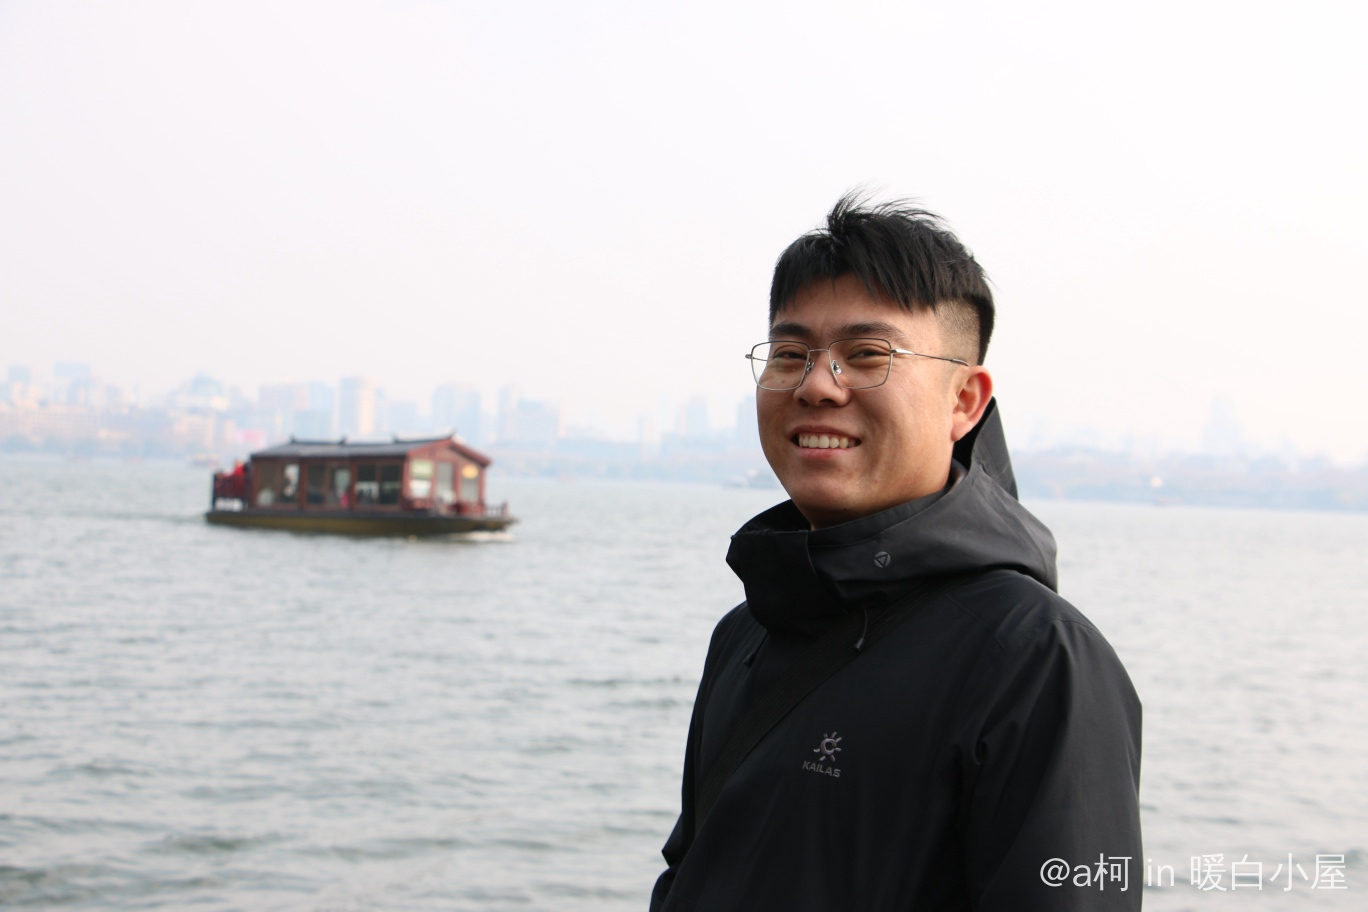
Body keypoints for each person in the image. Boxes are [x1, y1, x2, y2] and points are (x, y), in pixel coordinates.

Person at [650, 195, 1142, 911]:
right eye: (789, 355)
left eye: (867, 356)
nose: (817, 385)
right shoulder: (748, 630)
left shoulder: (1036, 658)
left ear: (964, 401)